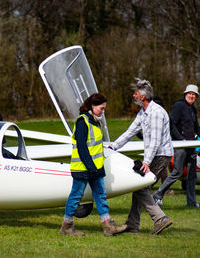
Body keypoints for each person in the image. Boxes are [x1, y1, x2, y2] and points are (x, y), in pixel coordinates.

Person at [109, 79, 173, 235]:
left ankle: (160, 219)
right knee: (139, 188)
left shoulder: (156, 113)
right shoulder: (143, 113)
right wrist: (113, 146)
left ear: (143, 97)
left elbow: (156, 141)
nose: (133, 95)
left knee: (141, 188)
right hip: (154, 155)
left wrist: (146, 161)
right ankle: (132, 225)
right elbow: (130, 132)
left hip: (160, 155)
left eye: (136, 93)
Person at [60, 93, 124, 237]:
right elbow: (82, 147)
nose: (103, 111)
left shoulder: (95, 121)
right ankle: (66, 227)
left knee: (101, 195)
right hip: (83, 168)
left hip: (95, 168)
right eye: (101, 108)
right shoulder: (83, 121)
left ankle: (108, 226)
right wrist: (91, 167)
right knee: (76, 196)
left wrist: (96, 167)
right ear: (92, 106)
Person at [153, 84, 200, 208]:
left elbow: (196, 128)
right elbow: (171, 124)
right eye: (190, 93)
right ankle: (158, 194)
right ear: (185, 94)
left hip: (191, 146)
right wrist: (180, 139)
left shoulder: (193, 109)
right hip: (180, 146)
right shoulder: (179, 106)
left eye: (194, 95)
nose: (192, 96)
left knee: (192, 175)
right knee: (177, 172)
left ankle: (192, 202)